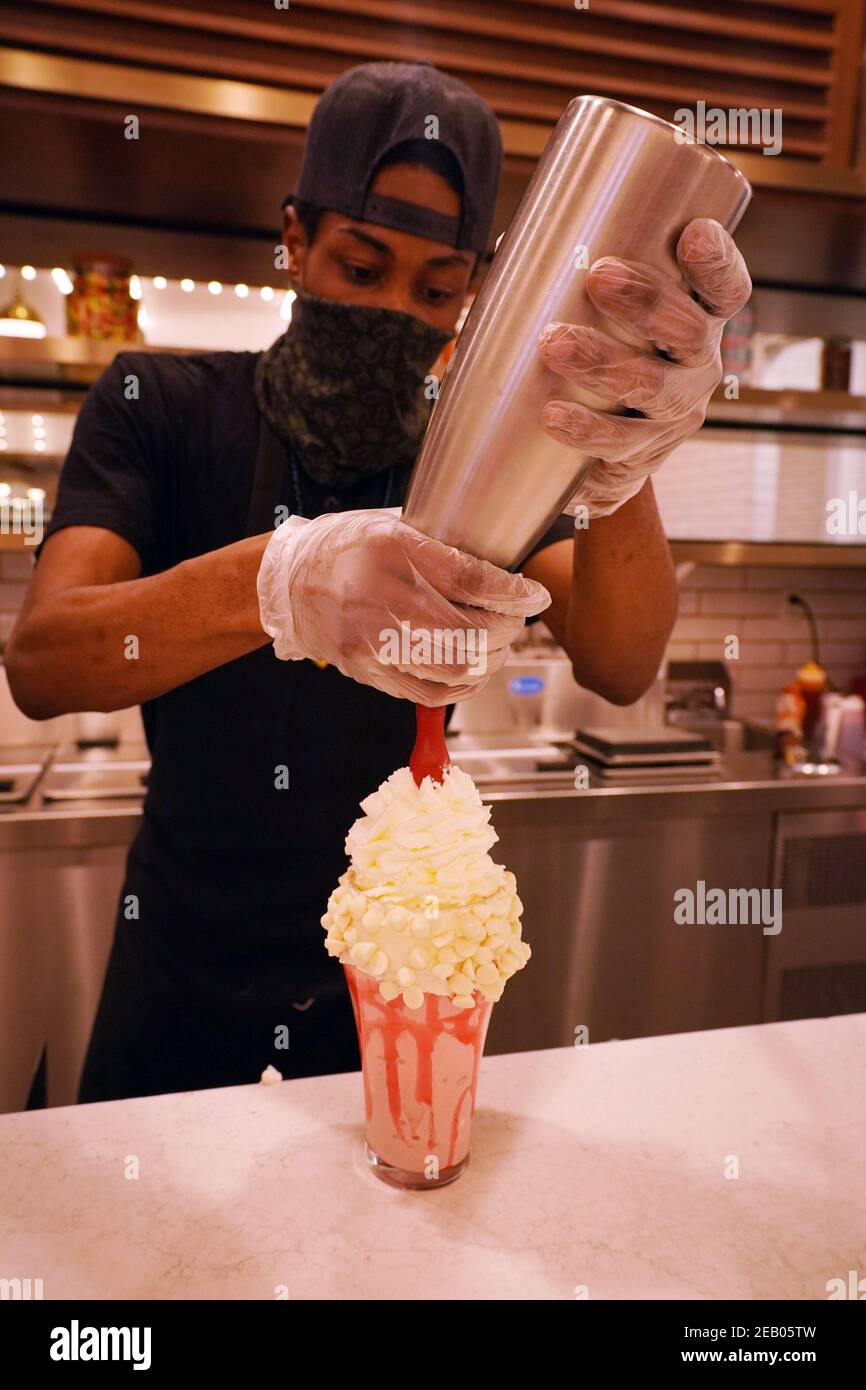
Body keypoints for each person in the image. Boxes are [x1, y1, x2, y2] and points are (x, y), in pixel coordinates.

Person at [6, 62, 751, 1101]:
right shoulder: (159, 404)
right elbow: (43, 661)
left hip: (391, 989)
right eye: (360, 268)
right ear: (294, 240)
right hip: (179, 978)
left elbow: (620, 662)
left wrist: (615, 450)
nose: (395, 311)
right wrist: (280, 579)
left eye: (437, 290)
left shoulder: (474, 454)